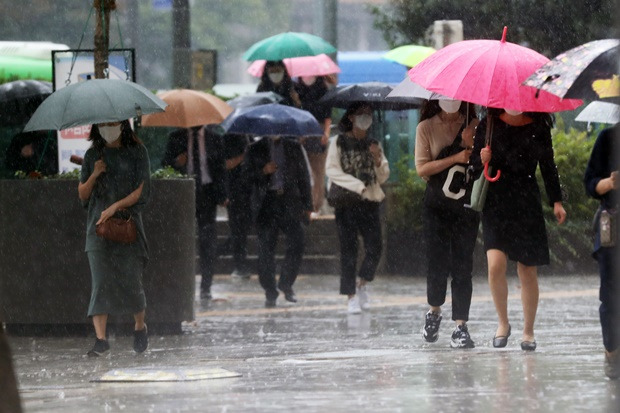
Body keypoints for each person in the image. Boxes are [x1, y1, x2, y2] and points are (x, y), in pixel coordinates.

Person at [470, 108, 566, 351]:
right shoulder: (488, 125)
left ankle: (528, 331)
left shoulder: (538, 127)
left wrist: (556, 201)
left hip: (526, 201)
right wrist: (480, 159)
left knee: (527, 269)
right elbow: (472, 168)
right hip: (496, 199)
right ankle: (503, 323)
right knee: (495, 265)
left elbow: (548, 165)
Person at [78, 120, 151, 356]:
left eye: (113, 123)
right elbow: (82, 194)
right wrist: (95, 173)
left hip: (127, 227)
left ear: (123, 124)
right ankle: (101, 339)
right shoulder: (92, 156)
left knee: (132, 281)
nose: (108, 127)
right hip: (98, 230)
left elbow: (142, 189)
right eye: (103, 123)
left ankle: (139, 326)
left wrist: (115, 207)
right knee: (100, 283)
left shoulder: (138, 152)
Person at [415, 99, 480, 348]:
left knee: (464, 265)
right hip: (437, 207)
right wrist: (456, 155)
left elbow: (484, 163)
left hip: (466, 207)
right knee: (437, 261)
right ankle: (434, 311)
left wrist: (474, 145)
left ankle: (460, 326)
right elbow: (422, 169)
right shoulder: (426, 128)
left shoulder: (476, 125)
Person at [325, 102, 390, 314]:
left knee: (375, 247)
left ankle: (362, 284)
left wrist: (377, 158)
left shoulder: (373, 143)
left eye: (369, 114)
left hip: (370, 201)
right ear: (351, 117)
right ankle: (350, 295)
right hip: (346, 203)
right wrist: (357, 186)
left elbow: (382, 177)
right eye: (361, 114)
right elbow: (332, 170)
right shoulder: (338, 142)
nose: (366, 118)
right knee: (348, 249)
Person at [244, 134, 313, 307]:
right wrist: (263, 171)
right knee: (266, 248)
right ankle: (270, 290)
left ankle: (286, 282)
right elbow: (245, 177)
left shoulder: (294, 147)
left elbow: (303, 176)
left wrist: (307, 205)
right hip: (266, 203)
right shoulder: (255, 148)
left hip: (289, 201)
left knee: (297, 241)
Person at [162, 125, 228, 300]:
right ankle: (181, 285)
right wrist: (177, 163)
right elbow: (165, 165)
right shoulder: (176, 137)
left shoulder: (215, 138)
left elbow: (221, 169)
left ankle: (206, 286)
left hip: (207, 194)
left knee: (208, 242)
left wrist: (223, 195)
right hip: (184, 193)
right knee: (182, 241)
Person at [584, 124, 619, 379]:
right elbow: (590, 184)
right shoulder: (607, 137)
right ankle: (612, 348)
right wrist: (609, 183)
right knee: (610, 294)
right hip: (612, 229)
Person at [295, 75, 333, 214]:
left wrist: (326, 132)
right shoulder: (296, 88)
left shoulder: (322, 87)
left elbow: (327, 114)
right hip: (302, 131)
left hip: (319, 130)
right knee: (303, 170)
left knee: (318, 171)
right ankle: (306, 203)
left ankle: (316, 204)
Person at [224, 132, 253, 279]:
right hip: (235, 190)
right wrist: (243, 156)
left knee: (243, 227)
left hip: (250, 190)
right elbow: (225, 164)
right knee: (237, 228)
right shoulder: (229, 138)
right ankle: (239, 264)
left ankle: (229, 248)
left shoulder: (252, 138)